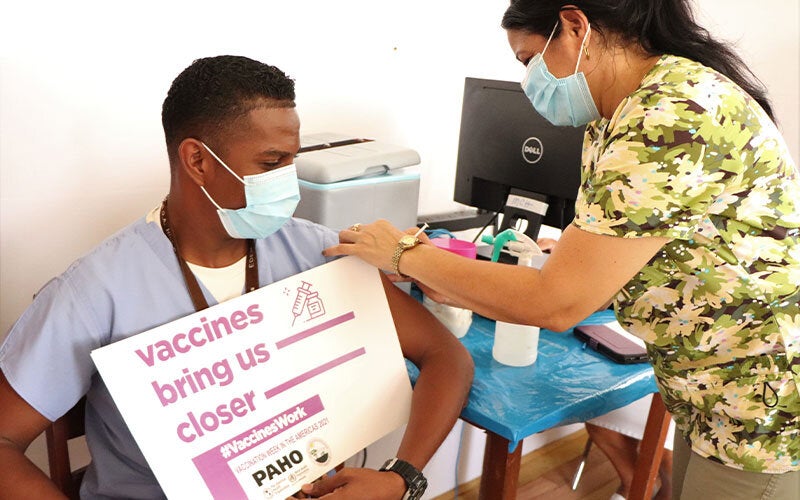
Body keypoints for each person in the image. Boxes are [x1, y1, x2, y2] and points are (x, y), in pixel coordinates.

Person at [323, 1, 800, 499]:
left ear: (575, 27)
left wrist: (403, 253)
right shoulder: (614, 114)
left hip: (764, 406)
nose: (530, 81)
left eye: (529, 60)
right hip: (707, 392)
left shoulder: (673, 113)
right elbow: (627, 248)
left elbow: (556, 302)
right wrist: (461, 274)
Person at [0, 55, 474, 500]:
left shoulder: (316, 253)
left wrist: (401, 477)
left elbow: (445, 356)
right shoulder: (96, 293)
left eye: (292, 159)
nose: (289, 179)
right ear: (198, 161)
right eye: (271, 163)